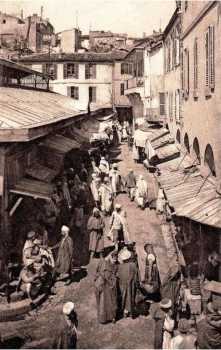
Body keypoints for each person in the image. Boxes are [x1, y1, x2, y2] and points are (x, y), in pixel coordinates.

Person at [94, 250, 118, 324]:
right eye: (114, 258)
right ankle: (108, 318)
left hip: (107, 286)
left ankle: (110, 318)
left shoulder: (103, 262)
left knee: (106, 303)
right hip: (106, 286)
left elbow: (97, 272)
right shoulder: (105, 264)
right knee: (107, 303)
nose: (115, 260)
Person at [118, 247, 139, 318]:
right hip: (131, 285)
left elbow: (118, 276)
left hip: (123, 285)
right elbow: (136, 276)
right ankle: (131, 312)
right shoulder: (133, 265)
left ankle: (124, 312)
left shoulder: (120, 266)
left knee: (124, 298)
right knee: (131, 297)